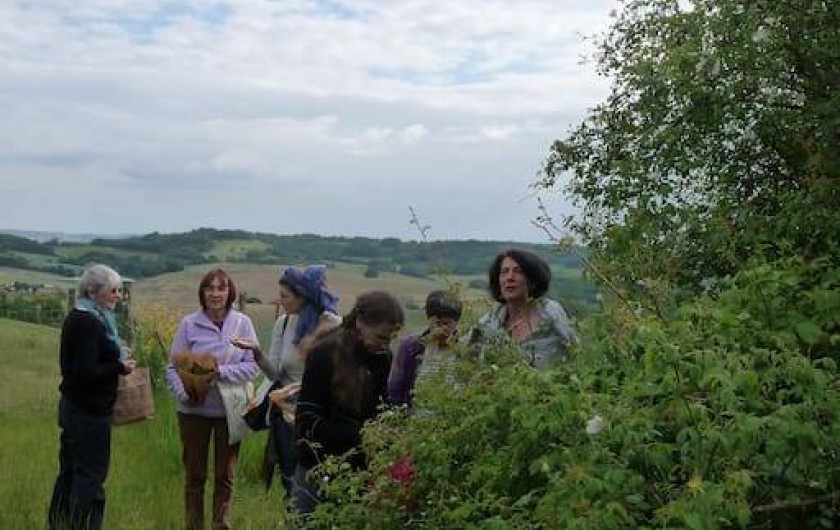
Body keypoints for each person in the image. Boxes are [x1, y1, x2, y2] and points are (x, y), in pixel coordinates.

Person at [292, 290, 405, 514]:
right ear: (360, 323)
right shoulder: (324, 355)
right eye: (381, 337)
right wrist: (362, 433)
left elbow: (380, 410)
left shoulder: (382, 358)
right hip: (317, 470)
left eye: (390, 338)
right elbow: (306, 422)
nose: (385, 345)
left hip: (358, 473)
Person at [165, 268, 260, 530]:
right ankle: (193, 526)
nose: (215, 294)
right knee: (195, 475)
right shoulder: (189, 324)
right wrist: (185, 392)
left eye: (221, 288)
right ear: (202, 293)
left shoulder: (242, 323)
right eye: (210, 288)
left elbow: (253, 366)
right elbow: (172, 367)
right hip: (193, 412)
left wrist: (220, 372)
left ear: (230, 292)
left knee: (225, 475)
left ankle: (221, 525)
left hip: (230, 411)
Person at [234, 264, 341, 494]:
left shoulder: (333, 325)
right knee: (290, 478)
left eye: (285, 296)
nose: (280, 301)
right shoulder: (282, 324)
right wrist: (257, 353)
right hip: (287, 415)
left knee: (321, 478)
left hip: (320, 414)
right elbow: (275, 374)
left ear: (303, 296)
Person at [47, 264, 136, 530]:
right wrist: (121, 367)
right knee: (91, 478)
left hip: (74, 407)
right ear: (92, 290)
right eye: (113, 290)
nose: (118, 295)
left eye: (120, 290)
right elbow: (86, 371)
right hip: (89, 412)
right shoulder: (89, 322)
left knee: (70, 472)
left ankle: (58, 524)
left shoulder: (81, 315)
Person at [474, 249, 576, 369]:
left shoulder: (552, 317)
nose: (510, 278)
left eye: (518, 271)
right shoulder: (488, 324)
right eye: (504, 272)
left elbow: (576, 355)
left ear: (534, 280)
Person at [388, 290, 463, 407]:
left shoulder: (465, 349)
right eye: (437, 323)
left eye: (447, 324)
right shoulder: (410, 347)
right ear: (429, 320)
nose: (442, 329)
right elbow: (396, 386)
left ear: (456, 322)